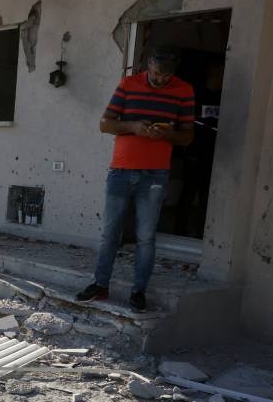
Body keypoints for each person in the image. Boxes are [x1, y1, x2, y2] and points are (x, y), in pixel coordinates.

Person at [76, 46, 195, 312]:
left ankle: (138, 291)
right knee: (110, 233)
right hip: (121, 170)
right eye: (155, 73)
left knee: (146, 236)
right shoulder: (129, 84)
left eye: (165, 76)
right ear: (148, 65)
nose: (159, 79)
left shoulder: (184, 90)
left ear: (174, 72)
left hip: (155, 173)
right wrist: (134, 127)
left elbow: (187, 136)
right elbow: (105, 124)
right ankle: (100, 284)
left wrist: (166, 134)